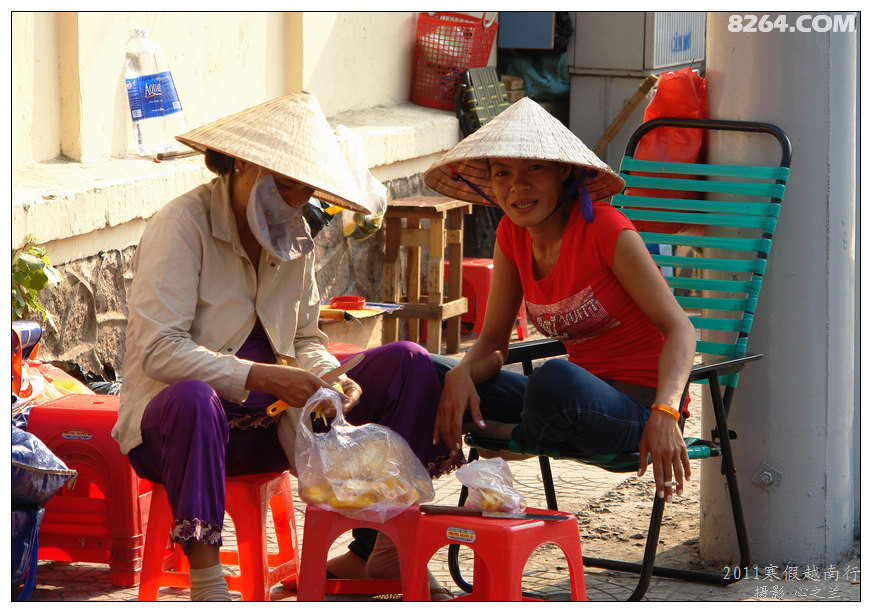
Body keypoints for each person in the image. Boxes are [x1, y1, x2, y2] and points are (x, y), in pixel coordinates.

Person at [111, 92, 457, 601]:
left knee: (411, 363)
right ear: (248, 165)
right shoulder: (182, 225)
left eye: (308, 188)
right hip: (177, 435)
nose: (299, 200)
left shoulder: (293, 235)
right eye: (290, 184)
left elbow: (304, 338)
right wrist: (260, 376)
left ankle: (380, 547)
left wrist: (329, 377)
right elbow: (158, 350)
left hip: (269, 427)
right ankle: (208, 583)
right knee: (193, 398)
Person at [422, 97, 696, 506]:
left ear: (563, 172)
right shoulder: (511, 235)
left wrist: (666, 411)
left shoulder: (604, 229)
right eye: (503, 173)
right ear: (491, 184)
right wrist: (461, 373)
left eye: (534, 169)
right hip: (564, 409)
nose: (518, 186)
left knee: (555, 378)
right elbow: (495, 344)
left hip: (634, 410)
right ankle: (384, 539)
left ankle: (504, 442)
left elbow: (681, 328)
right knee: (426, 372)